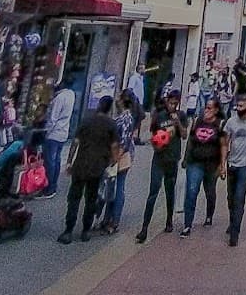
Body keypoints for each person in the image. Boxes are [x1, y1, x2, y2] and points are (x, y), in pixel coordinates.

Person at [58, 94, 119, 244]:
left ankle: (68, 230)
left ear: (99, 105)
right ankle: (85, 230)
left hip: (81, 164)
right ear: (110, 108)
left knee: (74, 198)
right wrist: (113, 161)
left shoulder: (86, 121)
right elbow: (114, 147)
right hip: (98, 166)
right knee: (91, 199)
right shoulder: (111, 125)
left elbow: (75, 142)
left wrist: (69, 162)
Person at [135, 91, 184, 242]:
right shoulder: (159, 115)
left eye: (175, 103)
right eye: (171, 102)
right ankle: (144, 227)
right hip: (159, 158)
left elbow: (184, 134)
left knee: (170, 191)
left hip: (172, 158)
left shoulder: (180, 116)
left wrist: (178, 124)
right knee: (153, 191)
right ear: (167, 101)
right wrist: (158, 142)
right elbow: (152, 135)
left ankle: (169, 220)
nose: (173, 106)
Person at [180, 95, 226, 236]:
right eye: (205, 107)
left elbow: (224, 145)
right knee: (192, 191)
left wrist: (222, 165)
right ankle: (187, 224)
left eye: (209, 108)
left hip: (212, 164)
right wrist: (186, 158)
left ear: (216, 110)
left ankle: (209, 215)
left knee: (209, 191)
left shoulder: (220, 124)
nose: (206, 110)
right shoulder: (197, 121)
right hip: (195, 162)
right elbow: (191, 141)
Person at [220, 92, 246, 247]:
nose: (238, 108)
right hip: (232, 163)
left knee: (239, 197)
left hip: (245, 164)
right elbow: (225, 143)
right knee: (230, 197)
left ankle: (235, 232)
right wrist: (222, 164)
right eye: (237, 105)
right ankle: (232, 221)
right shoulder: (230, 122)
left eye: (241, 106)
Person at [101, 90, 138, 233]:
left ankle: (114, 221)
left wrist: (114, 159)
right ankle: (107, 219)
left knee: (117, 189)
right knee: (112, 188)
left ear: (122, 101)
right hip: (117, 156)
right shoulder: (124, 117)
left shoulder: (126, 118)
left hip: (120, 157)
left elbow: (124, 141)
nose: (116, 100)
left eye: (119, 98)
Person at [43, 81, 77, 197]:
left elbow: (53, 118)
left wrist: (46, 132)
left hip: (54, 133)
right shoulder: (71, 95)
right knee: (56, 160)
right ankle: (53, 185)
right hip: (63, 133)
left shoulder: (59, 98)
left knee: (49, 161)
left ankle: (49, 187)